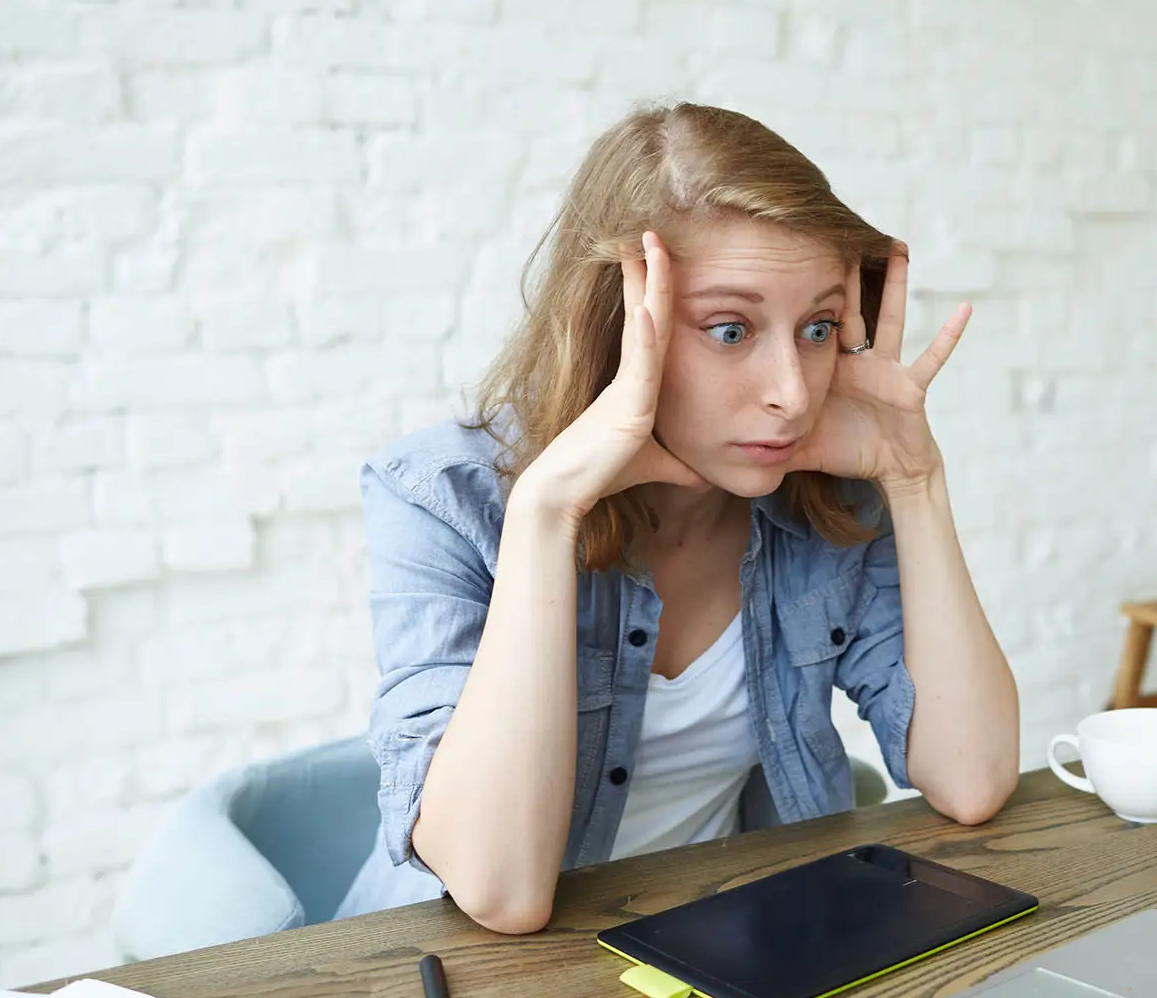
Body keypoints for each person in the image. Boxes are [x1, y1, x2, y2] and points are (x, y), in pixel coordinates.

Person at [334, 103, 1020, 931]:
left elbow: (971, 779)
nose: (793, 392)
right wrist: (547, 516)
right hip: (458, 980)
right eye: (731, 330)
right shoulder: (442, 499)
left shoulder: (822, 493)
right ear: (618, 325)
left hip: (718, 956)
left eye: (818, 328)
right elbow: (501, 893)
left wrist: (917, 479)